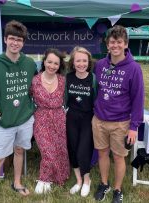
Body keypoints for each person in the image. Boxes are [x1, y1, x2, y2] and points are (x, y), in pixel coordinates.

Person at [0, 20, 37, 203]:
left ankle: (17, 182)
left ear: (23, 42)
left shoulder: (30, 64)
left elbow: (33, 89)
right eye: (12, 38)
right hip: (5, 122)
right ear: (5, 39)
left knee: (20, 150)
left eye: (19, 39)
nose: (15, 43)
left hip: (25, 118)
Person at [92, 25, 144, 203]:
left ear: (126, 44)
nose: (115, 45)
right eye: (112, 42)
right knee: (102, 154)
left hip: (121, 122)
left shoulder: (134, 68)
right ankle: (104, 183)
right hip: (99, 120)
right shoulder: (99, 65)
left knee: (118, 157)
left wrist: (134, 127)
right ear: (107, 45)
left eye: (119, 42)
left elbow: (138, 98)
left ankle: (117, 189)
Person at [31, 48, 70, 194]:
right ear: (44, 61)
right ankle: (44, 178)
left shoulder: (63, 80)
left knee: (60, 149)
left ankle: (59, 175)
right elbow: (27, 99)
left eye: (56, 63)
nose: (52, 66)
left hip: (59, 118)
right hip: (41, 118)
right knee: (47, 150)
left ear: (59, 65)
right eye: (49, 62)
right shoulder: (34, 80)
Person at [65, 46, 97, 197]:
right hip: (71, 117)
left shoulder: (93, 78)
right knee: (72, 148)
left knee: (83, 149)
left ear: (88, 62)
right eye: (78, 60)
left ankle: (87, 180)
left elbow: (97, 100)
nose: (81, 63)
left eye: (84, 60)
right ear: (73, 62)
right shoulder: (68, 77)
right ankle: (78, 180)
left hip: (87, 118)